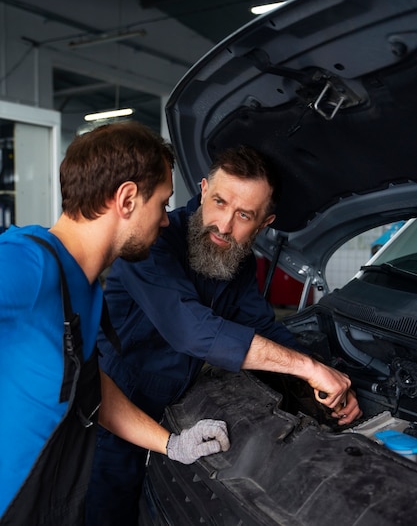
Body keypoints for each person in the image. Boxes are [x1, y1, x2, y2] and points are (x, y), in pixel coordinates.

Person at [87, 144, 362, 526]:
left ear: (265, 223)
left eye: (244, 215)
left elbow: (261, 325)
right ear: (202, 189)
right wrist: (308, 368)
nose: (224, 224)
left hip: (171, 416)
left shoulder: (236, 257)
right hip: (111, 414)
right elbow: (191, 331)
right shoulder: (150, 241)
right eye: (218, 201)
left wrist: (323, 379)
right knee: (105, 514)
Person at [0, 122, 230, 526]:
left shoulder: (83, 285)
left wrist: (171, 444)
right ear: (126, 199)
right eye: (161, 203)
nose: (164, 220)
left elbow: (91, 388)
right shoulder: (28, 265)